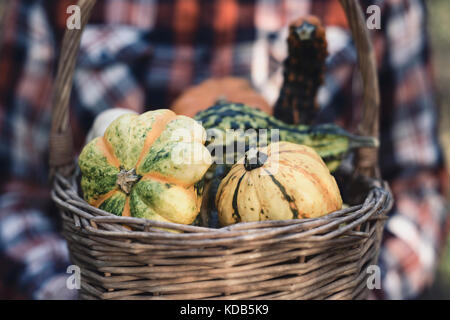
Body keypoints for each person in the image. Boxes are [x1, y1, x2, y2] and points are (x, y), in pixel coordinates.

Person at [0, 0, 448, 299]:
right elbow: (15, 193)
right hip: (126, 269)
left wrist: (362, 287)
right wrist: (72, 290)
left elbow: (417, 187)